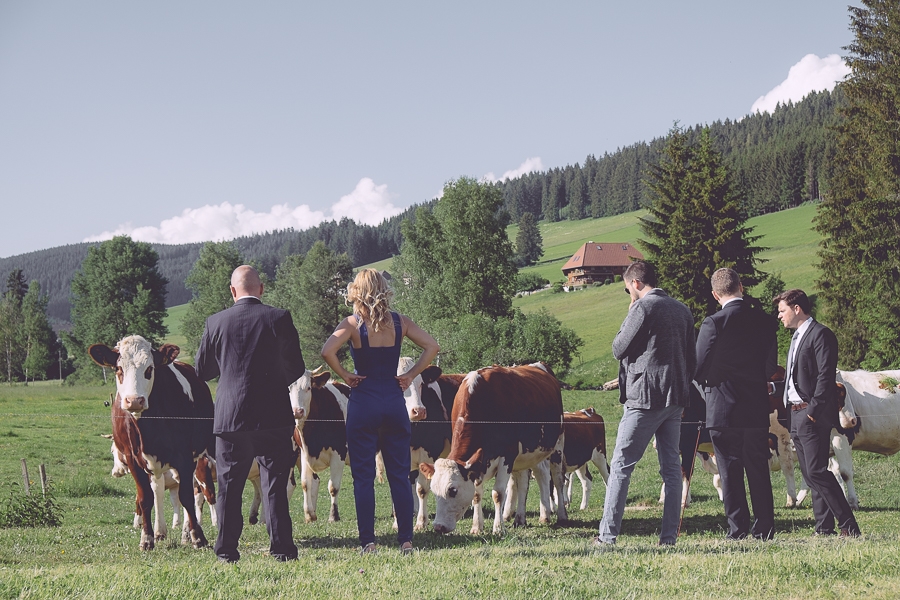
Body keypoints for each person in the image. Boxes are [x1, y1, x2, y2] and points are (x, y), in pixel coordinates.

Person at [321, 269, 439, 554]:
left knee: (363, 477)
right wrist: (410, 375)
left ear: (356, 291)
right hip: (394, 402)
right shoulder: (400, 322)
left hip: (364, 402)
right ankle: (407, 541)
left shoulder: (351, 324)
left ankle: (368, 542)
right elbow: (432, 347)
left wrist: (346, 375)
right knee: (399, 474)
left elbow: (327, 352)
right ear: (385, 289)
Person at [195, 265, 306, 563]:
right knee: (275, 483)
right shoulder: (279, 318)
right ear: (261, 288)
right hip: (273, 415)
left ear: (232, 291)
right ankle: (281, 549)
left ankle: (226, 551)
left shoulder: (215, 322)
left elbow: (201, 370)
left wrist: (229, 371)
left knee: (229, 487)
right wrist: (270, 381)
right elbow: (296, 366)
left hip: (230, 416)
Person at [593, 260, 696, 547]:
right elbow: (692, 360)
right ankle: (668, 539)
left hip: (644, 398)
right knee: (672, 471)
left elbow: (618, 348)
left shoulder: (642, 307)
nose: (630, 295)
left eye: (628, 290)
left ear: (636, 283)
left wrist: (629, 314)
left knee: (622, 466)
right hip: (675, 398)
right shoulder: (682, 309)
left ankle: (607, 536)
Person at [694, 268, 778, 540]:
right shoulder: (764, 321)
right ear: (741, 286)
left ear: (715, 294)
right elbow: (769, 365)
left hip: (722, 406)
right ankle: (765, 527)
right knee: (758, 467)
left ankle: (738, 529)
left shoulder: (714, 323)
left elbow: (699, 365)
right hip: (755, 405)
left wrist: (714, 379)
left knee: (729, 469)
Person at [772, 289, 861, 537]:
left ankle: (849, 525)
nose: (779, 316)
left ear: (797, 308)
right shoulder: (796, 337)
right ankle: (824, 528)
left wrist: (813, 410)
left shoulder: (821, 334)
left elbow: (825, 375)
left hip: (812, 413)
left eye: (782, 310)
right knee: (812, 472)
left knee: (816, 472)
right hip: (795, 413)